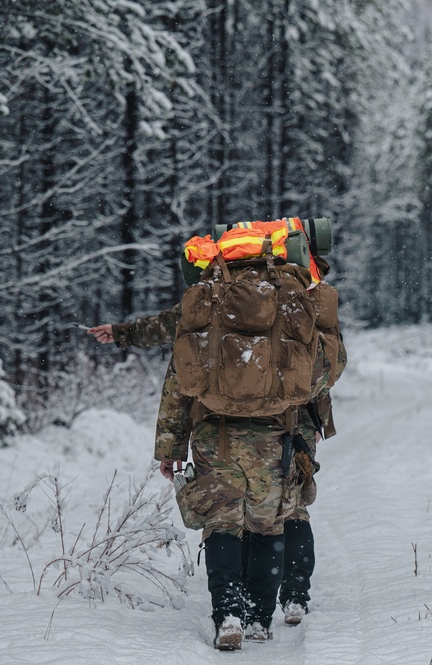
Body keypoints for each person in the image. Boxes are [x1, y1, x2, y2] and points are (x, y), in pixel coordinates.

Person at [89, 260, 344, 646]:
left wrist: (170, 448)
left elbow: (178, 382)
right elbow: (326, 369)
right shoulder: (293, 299)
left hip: (214, 434)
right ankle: (261, 618)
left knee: (222, 525)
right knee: (268, 526)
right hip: (277, 435)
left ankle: (228, 614)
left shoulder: (208, 302)